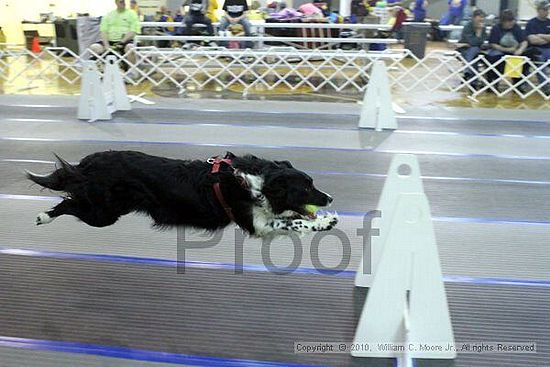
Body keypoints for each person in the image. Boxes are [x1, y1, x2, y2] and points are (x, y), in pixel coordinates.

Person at [486, 9, 529, 89]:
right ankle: (493, 81)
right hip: (499, 51)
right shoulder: (496, 28)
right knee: (493, 58)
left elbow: (524, 42)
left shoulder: (516, 27)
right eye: (508, 21)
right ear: (503, 21)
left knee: (524, 59)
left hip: (514, 51)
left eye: (512, 20)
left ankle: (518, 83)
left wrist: (520, 50)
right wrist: (506, 50)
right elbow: (493, 44)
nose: (511, 23)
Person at [90, 0, 140, 65]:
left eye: (124, 1)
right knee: (94, 47)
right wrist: (106, 45)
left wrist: (121, 42)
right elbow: (103, 31)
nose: (124, 3)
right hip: (110, 42)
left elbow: (133, 31)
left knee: (130, 47)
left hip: (125, 41)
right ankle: (101, 70)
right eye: (121, 1)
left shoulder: (132, 14)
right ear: (116, 2)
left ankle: (131, 71)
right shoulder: (108, 15)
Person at [525, 0, 550, 92]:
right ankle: (546, 86)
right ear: (538, 10)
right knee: (540, 60)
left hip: (549, 49)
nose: (547, 11)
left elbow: (537, 38)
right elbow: (532, 40)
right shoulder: (531, 23)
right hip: (536, 50)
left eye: (547, 9)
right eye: (544, 9)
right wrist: (547, 38)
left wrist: (540, 35)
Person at [458, 9, 487, 84]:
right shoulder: (467, 27)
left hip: (477, 50)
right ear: (474, 18)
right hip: (464, 50)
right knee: (474, 52)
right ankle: (472, 79)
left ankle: (468, 72)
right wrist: (478, 33)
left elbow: (480, 42)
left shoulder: (483, 28)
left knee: (474, 51)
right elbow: (473, 42)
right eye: (479, 17)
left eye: (483, 17)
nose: (481, 19)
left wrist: (479, 32)